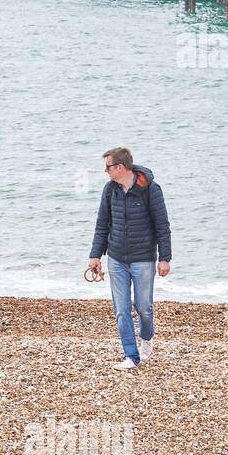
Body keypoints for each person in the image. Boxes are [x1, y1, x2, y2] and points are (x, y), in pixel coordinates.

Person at [87, 147, 173, 370]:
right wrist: (95, 255)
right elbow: (102, 224)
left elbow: (162, 226)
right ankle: (131, 356)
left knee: (144, 308)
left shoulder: (151, 190)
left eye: (108, 167)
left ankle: (147, 338)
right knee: (121, 309)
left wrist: (165, 258)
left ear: (120, 167)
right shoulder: (110, 190)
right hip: (116, 259)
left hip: (143, 258)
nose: (105, 171)